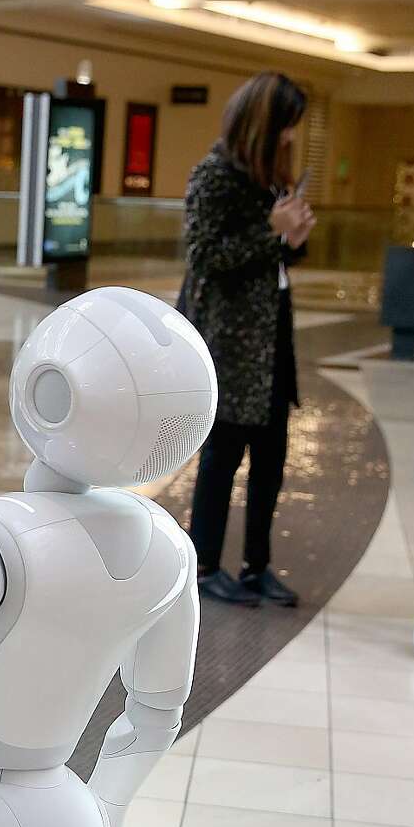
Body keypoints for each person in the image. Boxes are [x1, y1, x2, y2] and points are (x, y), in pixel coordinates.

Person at [177, 71, 315, 607]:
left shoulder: (268, 178)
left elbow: (271, 260)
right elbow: (205, 258)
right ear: (263, 123)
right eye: (286, 125)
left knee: (272, 455)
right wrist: (269, 230)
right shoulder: (214, 176)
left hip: (272, 335)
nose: (290, 136)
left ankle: (257, 566)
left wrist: (293, 239)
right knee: (222, 454)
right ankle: (204, 564)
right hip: (230, 342)